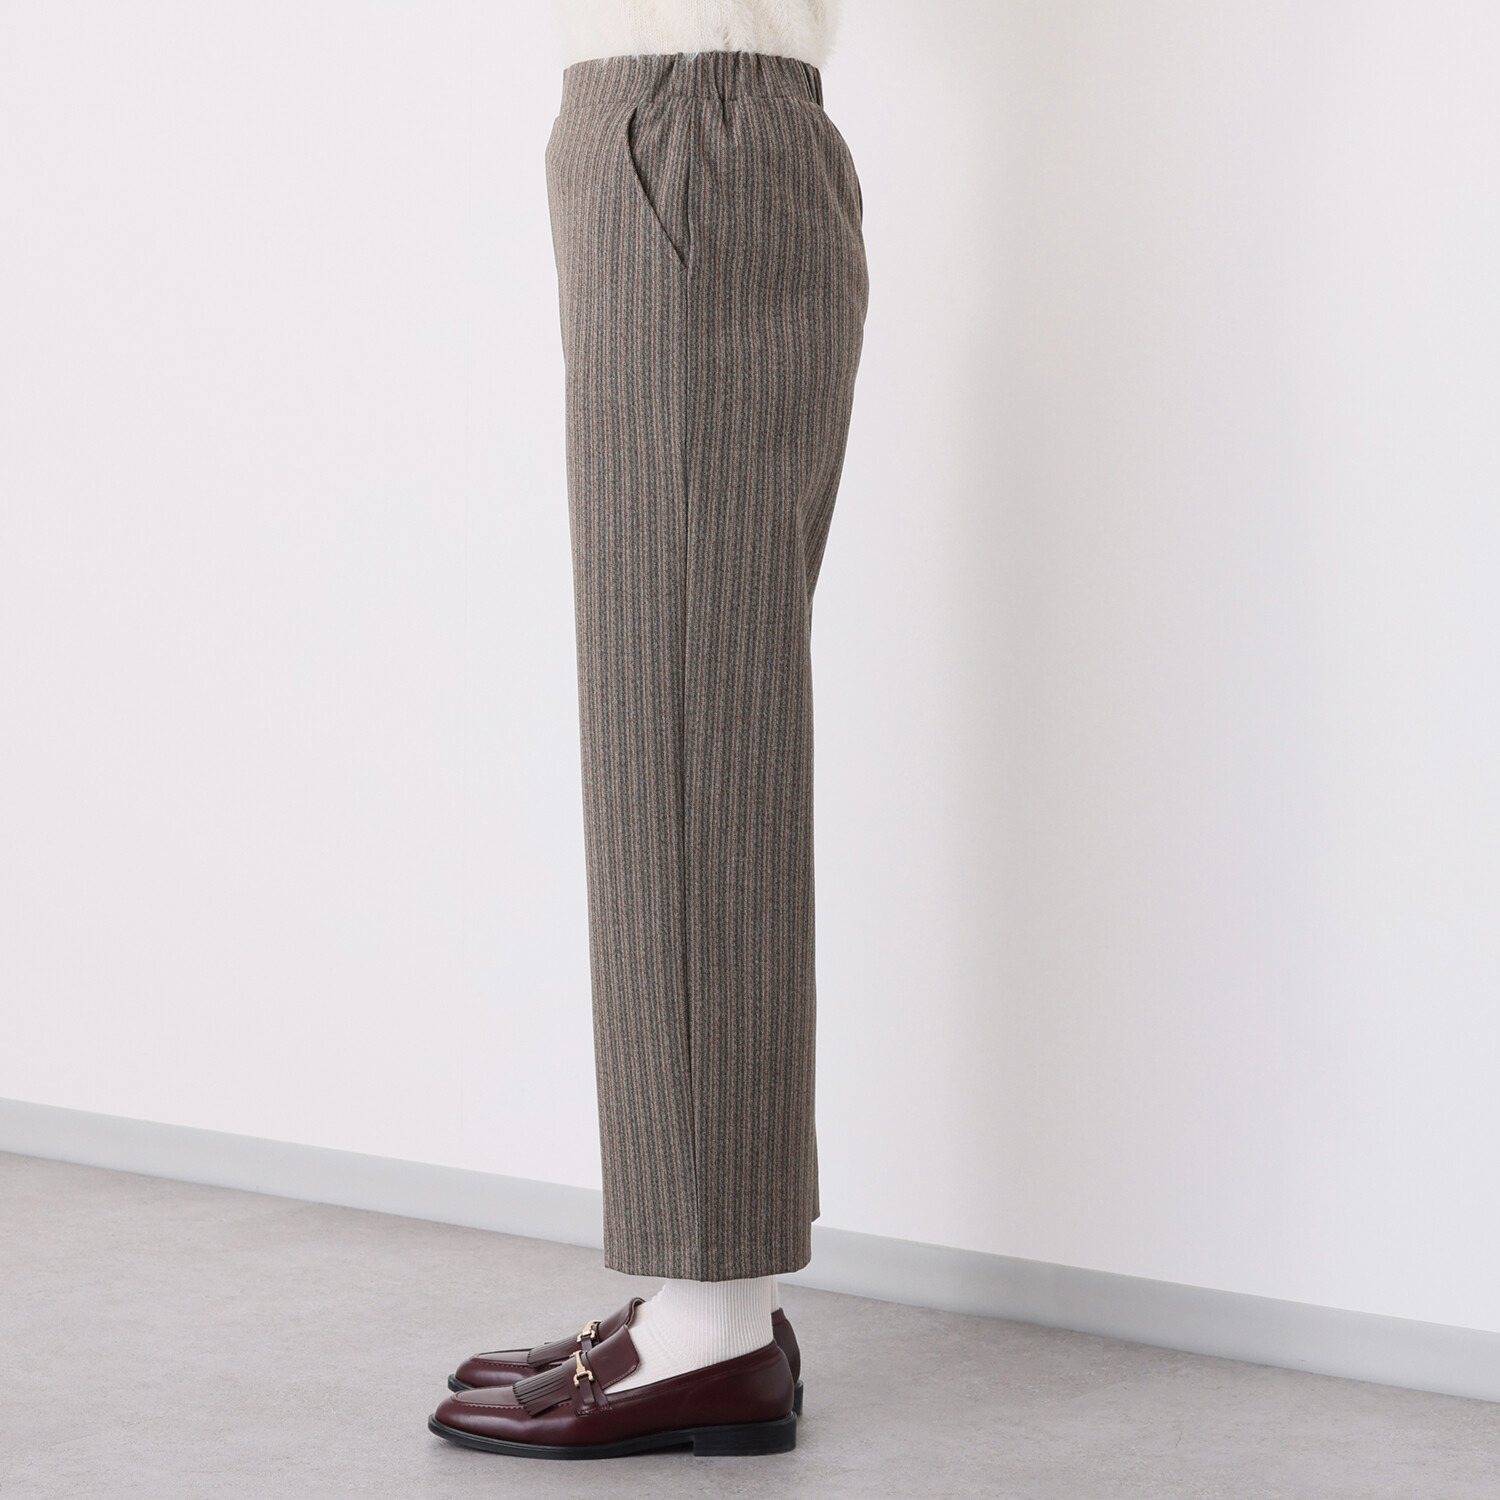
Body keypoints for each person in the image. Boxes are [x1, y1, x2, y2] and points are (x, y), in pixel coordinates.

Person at [428, 0, 867, 1459]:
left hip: (687, 126)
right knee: (686, 715)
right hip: (681, 129)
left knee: (681, 732)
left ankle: (710, 1323)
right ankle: (706, 1300)